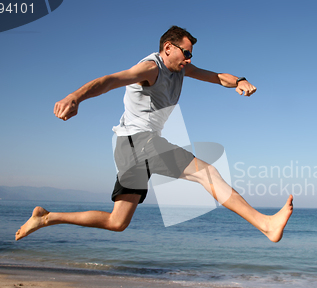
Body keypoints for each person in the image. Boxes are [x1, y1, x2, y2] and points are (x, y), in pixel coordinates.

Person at [15, 26, 293, 243]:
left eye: (191, 54)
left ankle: (46, 218)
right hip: (139, 141)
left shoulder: (181, 69)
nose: (189, 58)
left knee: (117, 222)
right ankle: (265, 224)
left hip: (130, 147)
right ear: (168, 48)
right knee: (206, 173)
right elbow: (110, 81)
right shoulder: (151, 68)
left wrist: (239, 81)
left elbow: (217, 76)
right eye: (186, 52)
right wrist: (75, 96)